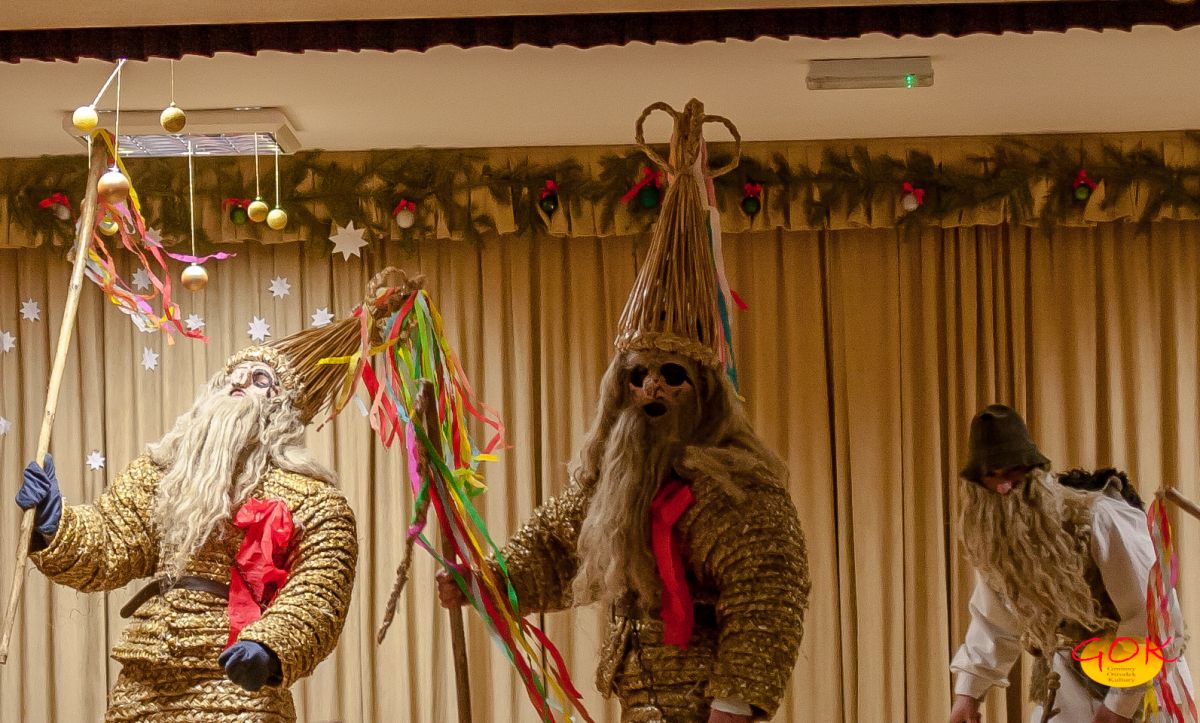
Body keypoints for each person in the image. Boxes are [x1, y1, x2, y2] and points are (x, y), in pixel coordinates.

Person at [438, 99, 810, 722]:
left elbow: (767, 598)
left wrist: (733, 705)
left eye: (672, 377)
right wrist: (485, 583)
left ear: (704, 390)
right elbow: (553, 552)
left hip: (704, 704)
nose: (652, 389)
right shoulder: (612, 481)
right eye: (638, 377)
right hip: (639, 699)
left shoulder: (737, 491)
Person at [16, 339, 359, 722]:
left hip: (236, 679)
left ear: (283, 406)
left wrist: (269, 646)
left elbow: (317, 591)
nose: (239, 382)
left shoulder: (314, 500)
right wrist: (54, 523)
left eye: (260, 379)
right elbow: (110, 542)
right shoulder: (163, 475)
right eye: (232, 376)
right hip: (145, 682)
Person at [948, 404, 1192, 723]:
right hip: (1066, 686)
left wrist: (1117, 707)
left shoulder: (1102, 519)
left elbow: (1148, 613)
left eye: (1011, 472)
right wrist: (967, 694)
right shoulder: (1002, 547)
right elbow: (994, 621)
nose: (1003, 486)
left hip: (1141, 684)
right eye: (990, 476)